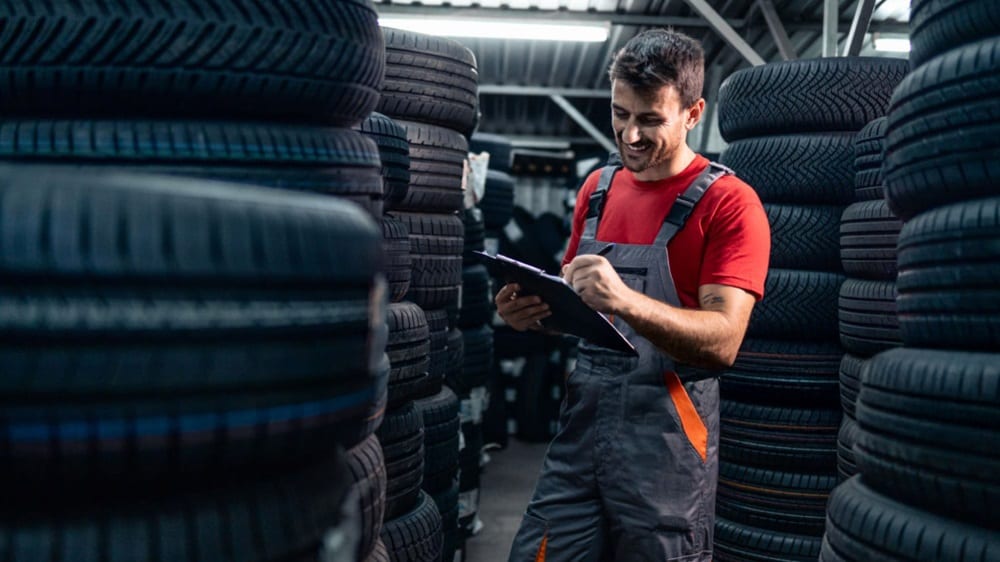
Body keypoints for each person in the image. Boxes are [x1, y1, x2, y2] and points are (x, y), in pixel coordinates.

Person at [495, 29, 771, 562]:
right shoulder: (597, 189)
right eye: (621, 114)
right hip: (580, 432)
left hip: (664, 445)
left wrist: (626, 301)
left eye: (650, 119)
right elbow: (579, 309)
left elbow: (725, 342)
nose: (631, 135)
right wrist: (532, 313)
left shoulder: (729, 203)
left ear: (693, 114)